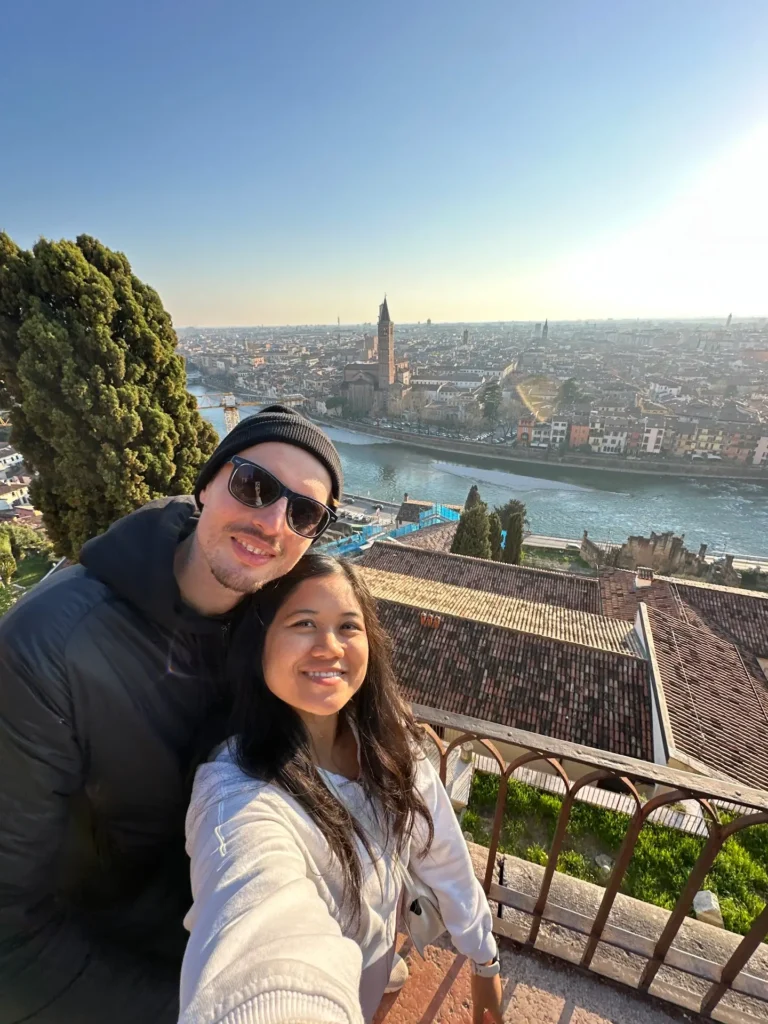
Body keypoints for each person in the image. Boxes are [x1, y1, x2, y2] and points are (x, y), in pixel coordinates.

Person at [0, 405, 343, 1024]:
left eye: (304, 513)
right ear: (208, 483)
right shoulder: (47, 647)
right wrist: (188, 1009)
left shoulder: (273, 627)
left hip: (220, 935)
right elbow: (8, 939)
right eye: (255, 485)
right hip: (122, 968)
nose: (272, 522)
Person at [181, 552, 504, 1024]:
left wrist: (484, 957)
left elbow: (441, 852)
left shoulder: (389, 745)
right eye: (303, 623)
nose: (329, 646)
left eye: (348, 627)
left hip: (369, 972)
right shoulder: (237, 793)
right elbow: (256, 919)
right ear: (258, 645)